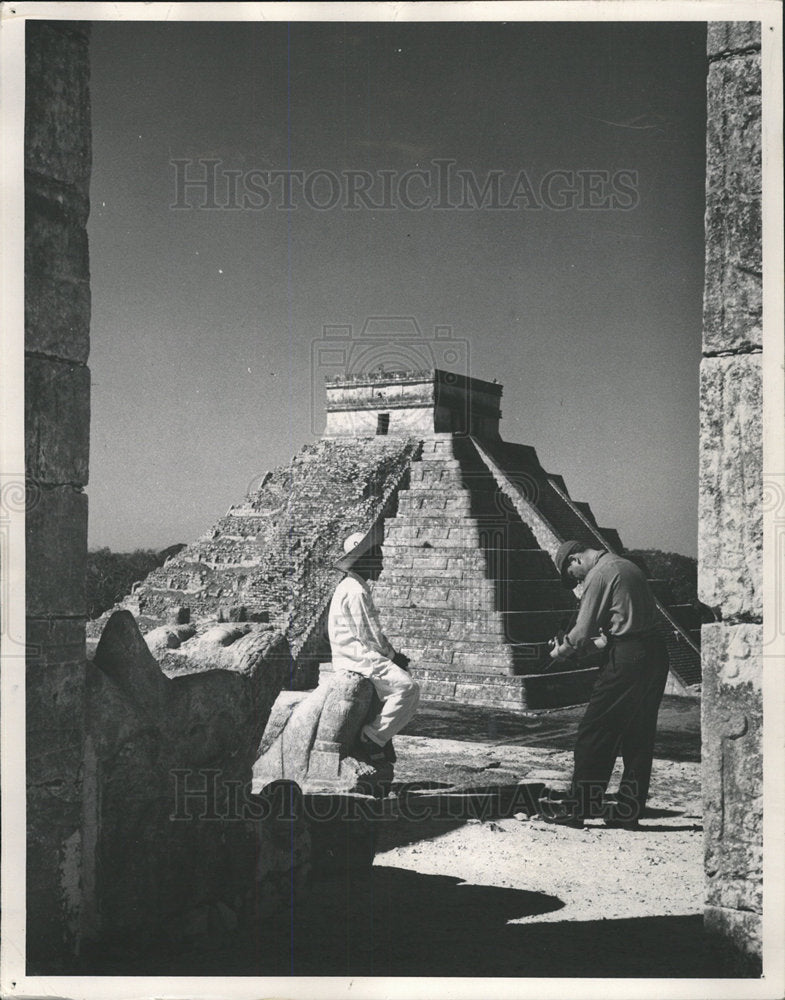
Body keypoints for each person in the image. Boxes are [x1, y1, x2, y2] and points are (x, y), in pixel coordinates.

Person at [543, 540, 670, 829]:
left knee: (595, 731)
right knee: (638, 734)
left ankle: (578, 808)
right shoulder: (626, 565)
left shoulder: (599, 574)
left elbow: (582, 630)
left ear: (574, 560)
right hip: (654, 654)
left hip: (628, 659)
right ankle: (628, 811)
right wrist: (587, 648)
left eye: (573, 575)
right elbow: (611, 633)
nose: (577, 581)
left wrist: (559, 653)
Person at [328, 528, 420, 767]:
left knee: (398, 687)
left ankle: (379, 736)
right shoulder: (356, 591)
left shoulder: (350, 586)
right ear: (365, 559)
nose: (381, 564)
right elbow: (369, 635)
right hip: (357, 656)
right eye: (377, 557)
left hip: (354, 653)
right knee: (407, 688)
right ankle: (373, 737)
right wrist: (393, 656)